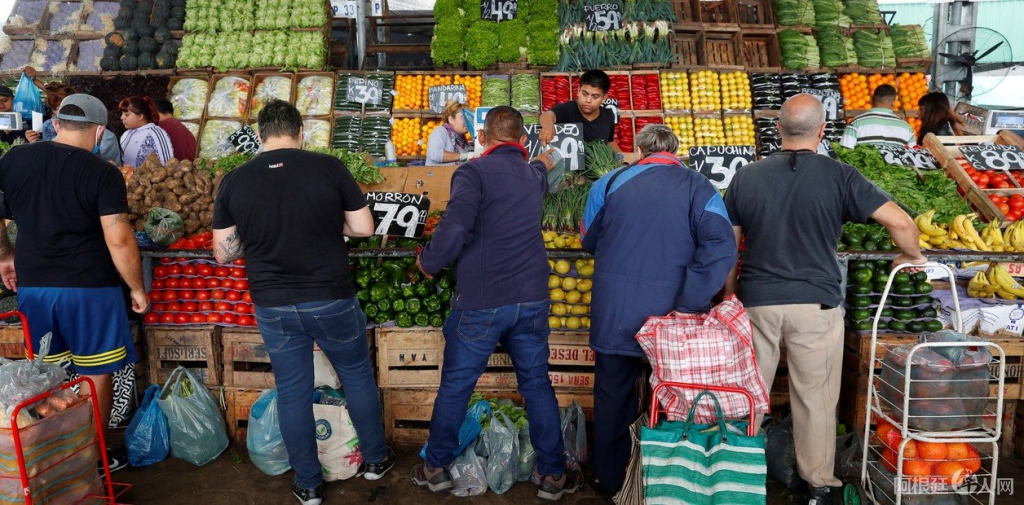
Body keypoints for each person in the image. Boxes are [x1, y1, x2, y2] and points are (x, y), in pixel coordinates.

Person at [724, 94, 927, 505]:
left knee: (748, 393)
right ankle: (818, 483)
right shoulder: (841, 175)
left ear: (777, 130)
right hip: (816, 304)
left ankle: (735, 475)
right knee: (814, 399)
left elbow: (730, 244)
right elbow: (902, 222)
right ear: (822, 131)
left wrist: (730, 293)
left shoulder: (747, 176)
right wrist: (911, 256)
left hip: (758, 301)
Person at [211, 100, 394, 505]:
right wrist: (331, 226)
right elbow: (364, 228)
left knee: (292, 391)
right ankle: (377, 461)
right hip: (330, 298)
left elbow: (223, 253)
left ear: (260, 136)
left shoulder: (235, 180)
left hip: (273, 304)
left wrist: (257, 234)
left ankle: (308, 485)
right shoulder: (327, 167)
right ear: (301, 132)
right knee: (357, 376)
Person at [413, 106, 582, 501]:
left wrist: (429, 262)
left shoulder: (471, 173)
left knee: (456, 386)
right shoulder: (532, 175)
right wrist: (549, 132)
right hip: (533, 300)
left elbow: (455, 227)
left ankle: (435, 468)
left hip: (481, 302)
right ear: (521, 141)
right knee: (537, 385)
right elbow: (546, 160)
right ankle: (553, 476)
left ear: (483, 139)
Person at [579, 124, 737, 496]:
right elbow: (721, 244)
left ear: (639, 150)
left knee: (613, 394)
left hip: (616, 312)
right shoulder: (700, 187)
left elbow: (588, 238)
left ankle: (611, 478)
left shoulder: (610, 182)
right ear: (675, 151)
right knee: (673, 397)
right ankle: (666, 480)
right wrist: (692, 299)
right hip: (673, 319)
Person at [0, 94, 149, 472]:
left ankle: (50, 457)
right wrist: (135, 287)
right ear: (99, 130)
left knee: (46, 374)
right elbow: (119, 238)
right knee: (96, 371)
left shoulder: (15, 159)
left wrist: (5, 255)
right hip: (89, 290)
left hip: (34, 287)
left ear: (57, 122)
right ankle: (93, 458)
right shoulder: (102, 172)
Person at [540, 69, 620, 150]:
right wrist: (548, 126)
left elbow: (610, 141)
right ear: (578, 91)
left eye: (595, 96)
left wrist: (623, 158)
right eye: (584, 94)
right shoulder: (568, 109)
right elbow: (547, 115)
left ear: (604, 98)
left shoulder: (608, 115)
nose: (588, 100)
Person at [840, 84, 916, 148]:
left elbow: (845, 152)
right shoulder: (907, 128)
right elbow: (914, 157)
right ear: (893, 103)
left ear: (871, 101)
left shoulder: (856, 123)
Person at [118, 96, 174, 167]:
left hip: (150, 177)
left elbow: (168, 164)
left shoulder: (156, 133)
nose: (122, 117)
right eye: (122, 114)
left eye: (127, 114)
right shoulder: (126, 134)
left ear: (140, 116)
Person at [425, 100, 471, 166]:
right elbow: (434, 153)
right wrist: (463, 156)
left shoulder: (462, 140)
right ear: (451, 119)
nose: (467, 121)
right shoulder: (440, 131)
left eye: (468, 117)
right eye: (463, 117)